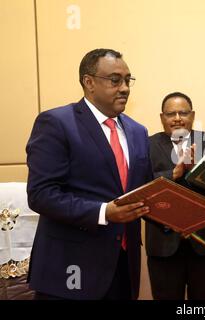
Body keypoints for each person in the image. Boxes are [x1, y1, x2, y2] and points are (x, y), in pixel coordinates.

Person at [26, 49, 153, 300]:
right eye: (115, 80)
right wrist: (105, 212)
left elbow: (145, 190)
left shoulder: (138, 131)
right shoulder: (57, 123)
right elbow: (41, 195)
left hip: (123, 268)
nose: (125, 88)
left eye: (128, 80)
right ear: (89, 82)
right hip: (70, 270)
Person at [146, 92, 205, 300]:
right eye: (171, 113)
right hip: (163, 245)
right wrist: (174, 173)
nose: (177, 118)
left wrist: (197, 170)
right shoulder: (147, 145)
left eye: (183, 112)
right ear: (162, 117)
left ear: (193, 115)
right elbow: (140, 186)